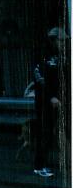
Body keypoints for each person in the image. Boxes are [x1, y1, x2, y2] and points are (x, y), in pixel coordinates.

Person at [32, 27, 68, 177]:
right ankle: (40, 166)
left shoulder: (62, 56)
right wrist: (51, 96)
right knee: (45, 132)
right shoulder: (43, 55)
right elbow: (39, 78)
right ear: (53, 40)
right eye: (60, 41)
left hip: (59, 99)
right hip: (45, 101)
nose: (63, 43)